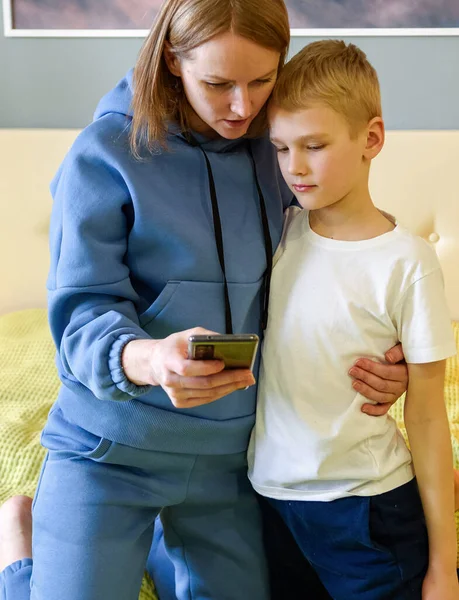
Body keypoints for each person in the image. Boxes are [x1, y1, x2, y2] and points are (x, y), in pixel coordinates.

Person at [0, 3, 410, 599]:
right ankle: (19, 545)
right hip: (112, 449)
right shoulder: (105, 153)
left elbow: (338, 263)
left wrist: (388, 357)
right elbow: (80, 317)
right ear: (173, 59)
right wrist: (150, 360)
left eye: (261, 80)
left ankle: (157, 547)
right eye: (218, 84)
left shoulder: (281, 145)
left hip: (232, 460)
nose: (243, 108)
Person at [248, 39, 459, 600]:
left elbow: (430, 417)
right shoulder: (278, 233)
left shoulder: (405, 262)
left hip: (367, 507)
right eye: (281, 147)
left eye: (314, 146)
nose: (294, 167)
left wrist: (445, 566)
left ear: (371, 139)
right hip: (270, 501)